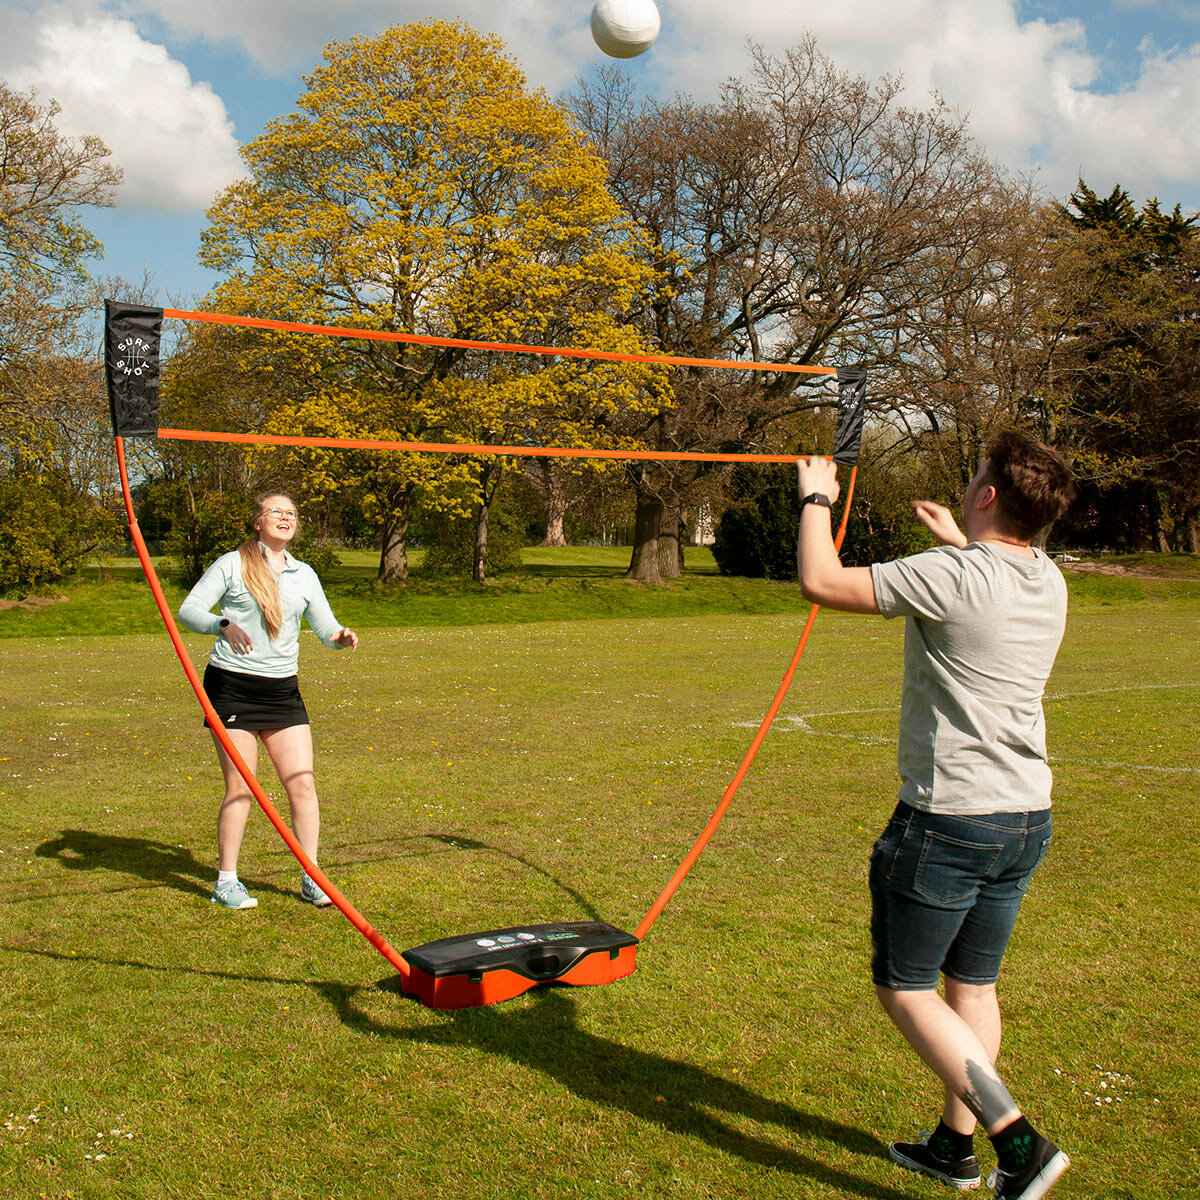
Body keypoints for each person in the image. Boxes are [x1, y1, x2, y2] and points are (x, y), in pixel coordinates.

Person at [794, 431, 1075, 1200]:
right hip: (1023, 818)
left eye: (976, 474)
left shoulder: (950, 576)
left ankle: (1016, 1143)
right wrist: (958, 542)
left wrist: (817, 496)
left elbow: (821, 579)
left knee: (907, 989)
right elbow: (992, 577)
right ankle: (954, 1148)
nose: (969, 478)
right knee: (973, 989)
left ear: (986, 495)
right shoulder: (1045, 578)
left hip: (949, 819)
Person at [179, 493, 358, 911]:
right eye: (275, 511)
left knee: (303, 782)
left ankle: (312, 877)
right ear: (257, 521)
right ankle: (226, 881)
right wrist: (222, 624)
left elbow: (325, 627)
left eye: (291, 513)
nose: (285, 517)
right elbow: (189, 610)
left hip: (282, 691)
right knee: (241, 787)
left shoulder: (304, 573)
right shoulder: (233, 564)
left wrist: (340, 638)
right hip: (232, 688)